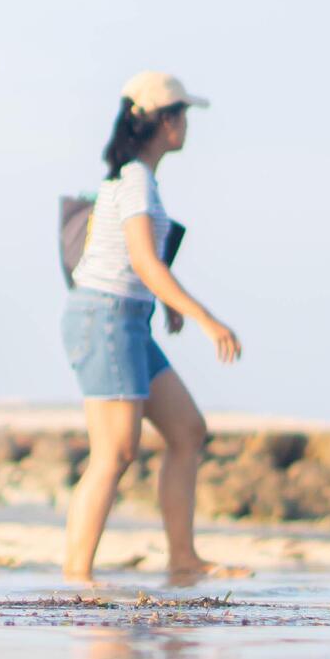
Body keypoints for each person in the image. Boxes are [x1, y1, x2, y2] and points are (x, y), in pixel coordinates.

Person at [60, 71, 245, 589]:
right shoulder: (136, 180)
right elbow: (143, 259)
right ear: (164, 121)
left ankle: (183, 557)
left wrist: (167, 305)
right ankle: (77, 575)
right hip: (105, 318)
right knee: (116, 450)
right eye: (182, 114)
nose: (187, 125)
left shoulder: (138, 178)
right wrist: (207, 318)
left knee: (187, 431)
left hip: (130, 320)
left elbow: (136, 261)